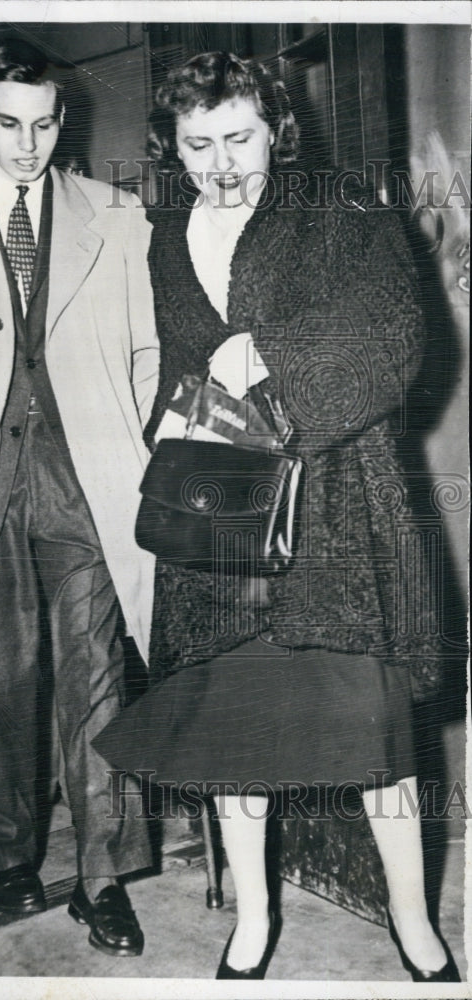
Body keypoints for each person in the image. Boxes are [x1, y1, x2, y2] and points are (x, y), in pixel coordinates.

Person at [94, 52, 460, 980]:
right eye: (197, 144)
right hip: (222, 511)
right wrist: (187, 403)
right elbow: (177, 361)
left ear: (276, 129)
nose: (220, 164)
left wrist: (266, 361)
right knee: (233, 728)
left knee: (374, 735)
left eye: (240, 139)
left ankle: (412, 921)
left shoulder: (344, 206)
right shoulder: (167, 228)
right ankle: (252, 921)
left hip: (341, 505)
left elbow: (396, 337)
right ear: (170, 147)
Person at [0, 36, 158, 956]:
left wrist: (131, 444)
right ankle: (3, 852)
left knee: (96, 682)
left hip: (84, 475)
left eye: (44, 125)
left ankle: (103, 878)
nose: (28, 144)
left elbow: (145, 353)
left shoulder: (116, 214)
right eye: (8, 124)